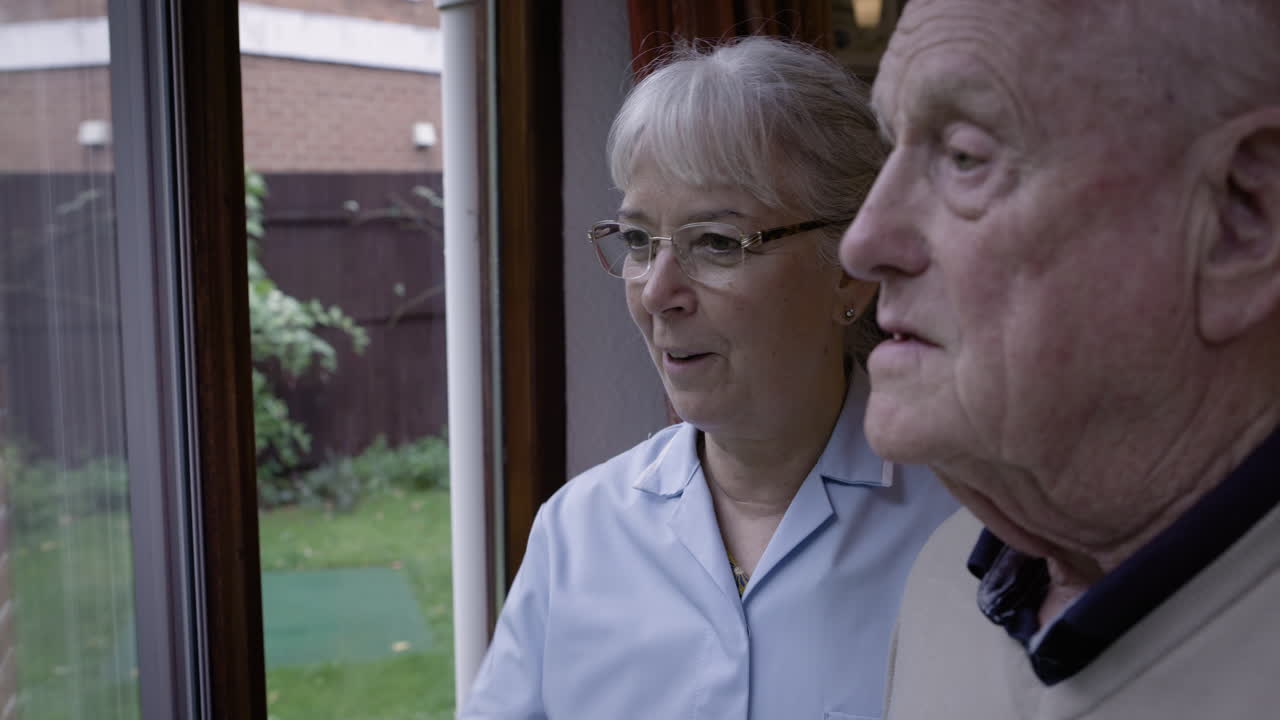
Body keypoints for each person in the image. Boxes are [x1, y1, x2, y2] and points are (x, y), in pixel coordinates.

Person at [460, 36, 957, 719]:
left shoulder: (969, 527)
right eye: (638, 240)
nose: (658, 291)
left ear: (849, 269)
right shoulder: (577, 533)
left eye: (717, 243)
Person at [838, 1, 1280, 718]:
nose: (863, 242)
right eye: (892, 146)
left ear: (1241, 215)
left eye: (964, 157)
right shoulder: (945, 583)